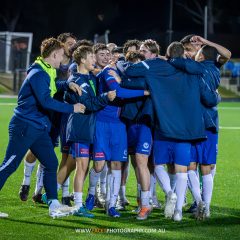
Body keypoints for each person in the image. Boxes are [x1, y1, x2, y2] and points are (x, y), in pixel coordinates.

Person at [125, 41, 219, 221]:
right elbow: (209, 98)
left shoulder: (157, 71)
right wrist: (216, 95)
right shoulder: (194, 72)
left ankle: (169, 192)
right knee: (182, 169)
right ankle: (179, 212)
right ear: (183, 54)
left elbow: (130, 76)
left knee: (158, 165)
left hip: (164, 126)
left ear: (166, 55)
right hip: (187, 129)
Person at [0, 37, 85, 218]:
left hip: (37, 127)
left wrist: (67, 84)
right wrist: (72, 108)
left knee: (51, 163)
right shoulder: (39, 73)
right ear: (54, 55)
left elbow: (52, 87)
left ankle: (54, 205)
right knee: (9, 165)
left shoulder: (46, 70)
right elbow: (46, 100)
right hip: (25, 126)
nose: (63, 59)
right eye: (61, 55)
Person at [170, 35, 231, 218]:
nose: (188, 53)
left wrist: (207, 43)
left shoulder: (210, 65)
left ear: (201, 52)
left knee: (205, 165)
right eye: (186, 50)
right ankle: (200, 203)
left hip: (204, 122)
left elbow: (227, 53)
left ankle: (205, 205)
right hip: (194, 121)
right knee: (190, 165)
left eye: (190, 49)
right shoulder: (190, 67)